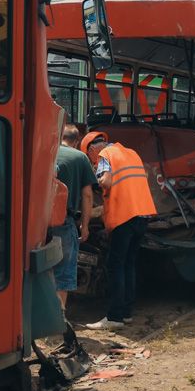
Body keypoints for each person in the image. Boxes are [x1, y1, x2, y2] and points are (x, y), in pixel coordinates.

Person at [79, 130, 156, 330]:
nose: (92, 162)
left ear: (93, 149)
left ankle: (114, 317)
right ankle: (126, 312)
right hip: (143, 215)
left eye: (90, 158)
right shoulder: (131, 152)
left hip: (124, 216)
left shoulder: (105, 156)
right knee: (129, 264)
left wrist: (93, 183)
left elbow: (106, 181)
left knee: (115, 266)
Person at [52, 124, 96, 315]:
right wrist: (84, 226)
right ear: (77, 141)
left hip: (37, 221)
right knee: (63, 271)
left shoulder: (47, 151)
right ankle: (57, 317)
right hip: (63, 220)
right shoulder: (80, 157)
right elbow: (87, 195)